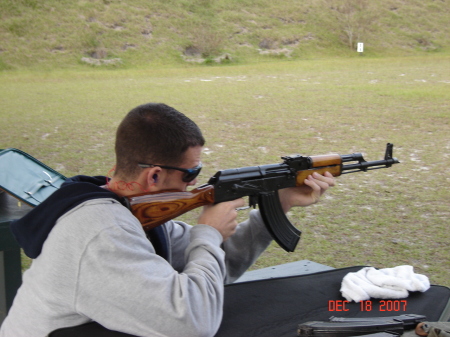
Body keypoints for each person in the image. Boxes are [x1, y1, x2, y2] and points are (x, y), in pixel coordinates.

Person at [0, 103, 335, 337]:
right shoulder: (100, 231)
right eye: (192, 172)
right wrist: (207, 232)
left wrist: (281, 202)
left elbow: (217, 266)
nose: (195, 182)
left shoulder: (126, 209)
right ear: (156, 176)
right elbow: (192, 321)